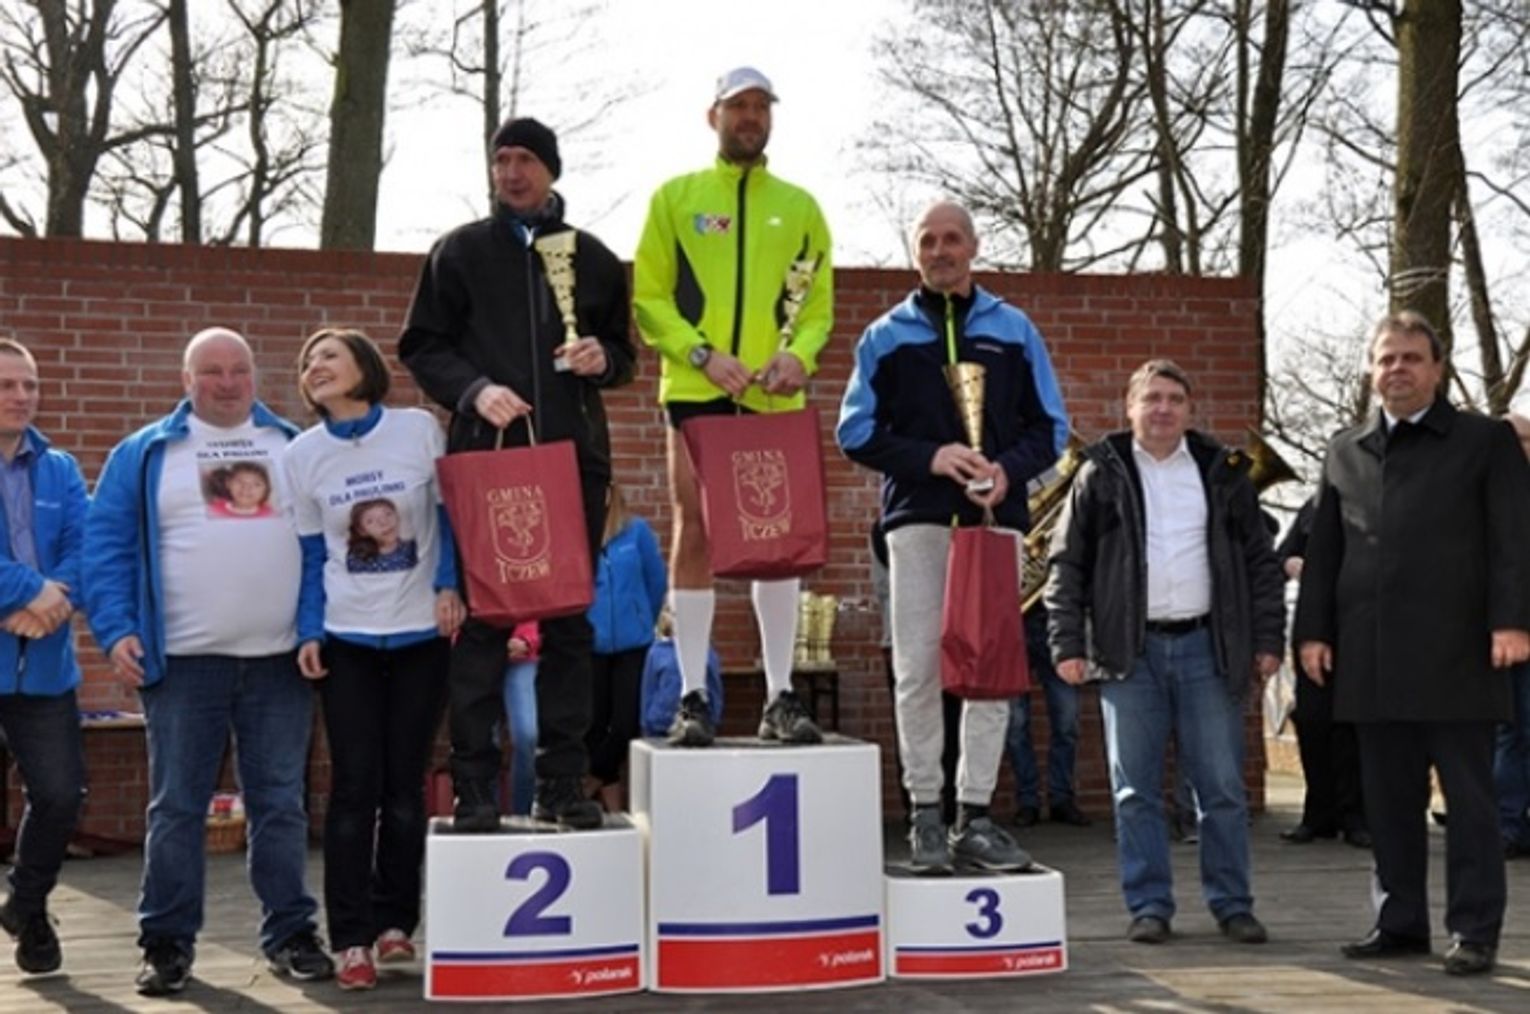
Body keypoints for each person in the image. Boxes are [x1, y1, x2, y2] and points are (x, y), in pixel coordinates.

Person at [400, 116, 635, 831]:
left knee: (567, 623)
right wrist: (474, 392)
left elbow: (624, 355)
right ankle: (474, 785)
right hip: (489, 457)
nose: (511, 172)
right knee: (483, 622)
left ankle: (561, 783)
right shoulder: (458, 252)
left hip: (573, 461)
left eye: (526, 159)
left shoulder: (594, 259)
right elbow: (422, 345)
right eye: (501, 159)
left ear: (551, 169)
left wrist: (603, 359)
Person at [83, 327, 332, 996]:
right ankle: (166, 943)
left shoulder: (292, 446)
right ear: (186, 379)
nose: (227, 383)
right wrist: (115, 630)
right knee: (176, 808)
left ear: (256, 375)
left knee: (280, 805)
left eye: (238, 370)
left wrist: (314, 629)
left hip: (280, 663)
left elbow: (319, 551)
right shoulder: (143, 452)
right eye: (211, 371)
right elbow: (104, 547)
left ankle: (291, 933)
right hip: (183, 666)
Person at [1295, 311, 1530, 977]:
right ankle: (1398, 923)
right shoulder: (1345, 448)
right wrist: (1312, 631)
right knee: (1388, 803)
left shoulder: (1484, 441)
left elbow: (1514, 537)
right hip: (1371, 658)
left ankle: (1475, 930)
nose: (1397, 369)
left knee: (1471, 805)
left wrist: (1513, 621)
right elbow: (1325, 552)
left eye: (1411, 358)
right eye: (1386, 358)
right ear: (1372, 371)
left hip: (1460, 656)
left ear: (1437, 368)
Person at [837, 199, 1067, 874]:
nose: (940, 251)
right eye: (928, 242)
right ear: (916, 253)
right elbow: (855, 431)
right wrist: (932, 458)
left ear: (973, 246)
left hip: (994, 522)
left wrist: (1006, 471)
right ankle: (926, 816)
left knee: (990, 670)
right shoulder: (884, 336)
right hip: (917, 518)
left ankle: (976, 816)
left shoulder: (1014, 329)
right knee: (918, 669)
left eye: (951, 239)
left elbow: (1050, 428)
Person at [1045, 358, 1284, 946]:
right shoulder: (1099, 473)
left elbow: (1260, 563)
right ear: (1129, 407)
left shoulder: (1223, 473)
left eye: (1175, 399)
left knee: (1222, 790)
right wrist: (1067, 642)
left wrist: (1268, 639)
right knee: (1134, 793)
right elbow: (1066, 564)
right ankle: (1149, 905)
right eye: (1151, 398)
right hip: (1129, 654)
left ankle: (1232, 904)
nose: (1163, 408)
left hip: (1210, 650)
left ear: (1189, 410)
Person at [633, 66, 833, 748]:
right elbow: (649, 299)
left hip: (774, 395)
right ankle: (692, 695)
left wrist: (798, 357)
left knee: (777, 541)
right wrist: (701, 355)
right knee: (695, 530)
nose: (750, 117)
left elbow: (818, 307)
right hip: (698, 390)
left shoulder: (801, 207)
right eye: (737, 106)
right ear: (712, 115)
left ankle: (779, 696)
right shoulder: (676, 198)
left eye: (760, 107)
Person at [279, 328, 465, 991]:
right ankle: (351, 938)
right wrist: (308, 631)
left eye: (328, 355)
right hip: (346, 640)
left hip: (422, 637)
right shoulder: (301, 456)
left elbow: (451, 518)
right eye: (307, 361)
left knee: (405, 788)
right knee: (354, 789)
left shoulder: (417, 429)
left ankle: (395, 925)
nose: (314, 366)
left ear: (364, 366)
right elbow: (310, 555)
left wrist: (449, 585)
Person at [0, 336, 88, 976]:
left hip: (46, 667)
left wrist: (54, 600)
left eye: (29, 384)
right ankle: (33, 922)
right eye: (7, 385)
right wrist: (31, 591)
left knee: (60, 795)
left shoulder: (60, 468)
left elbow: (88, 546)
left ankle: (27, 902)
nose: (22, 396)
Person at [1275, 495, 1368, 848]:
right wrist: (1291, 563)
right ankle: (1318, 815)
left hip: (1358, 626)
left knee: (1352, 726)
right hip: (1314, 625)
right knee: (1313, 722)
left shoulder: (1376, 501)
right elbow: (1281, 556)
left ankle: (1355, 816)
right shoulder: (1314, 507)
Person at [870, 521, 960, 825]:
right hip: (907, 639)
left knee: (938, 724)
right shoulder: (887, 529)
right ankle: (926, 808)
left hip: (923, 639)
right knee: (926, 723)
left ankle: (938, 809)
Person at [585, 483, 667, 811]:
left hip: (633, 645)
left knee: (625, 724)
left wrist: (642, 617)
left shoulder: (637, 531)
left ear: (610, 493)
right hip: (592, 645)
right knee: (594, 726)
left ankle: (588, 782)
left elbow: (656, 580)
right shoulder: (580, 534)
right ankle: (612, 811)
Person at [1006, 606, 1091, 828]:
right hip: (1011, 623)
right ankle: (1027, 801)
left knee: (1067, 721)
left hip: (1056, 623)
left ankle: (1061, 798)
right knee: (1016, 726)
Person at [502, 621, 540, 817]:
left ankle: (522, 813)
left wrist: (528, 641)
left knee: (527, 735)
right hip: (477, 649)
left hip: (524, 656)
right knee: (480, 739)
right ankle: (483, 808)